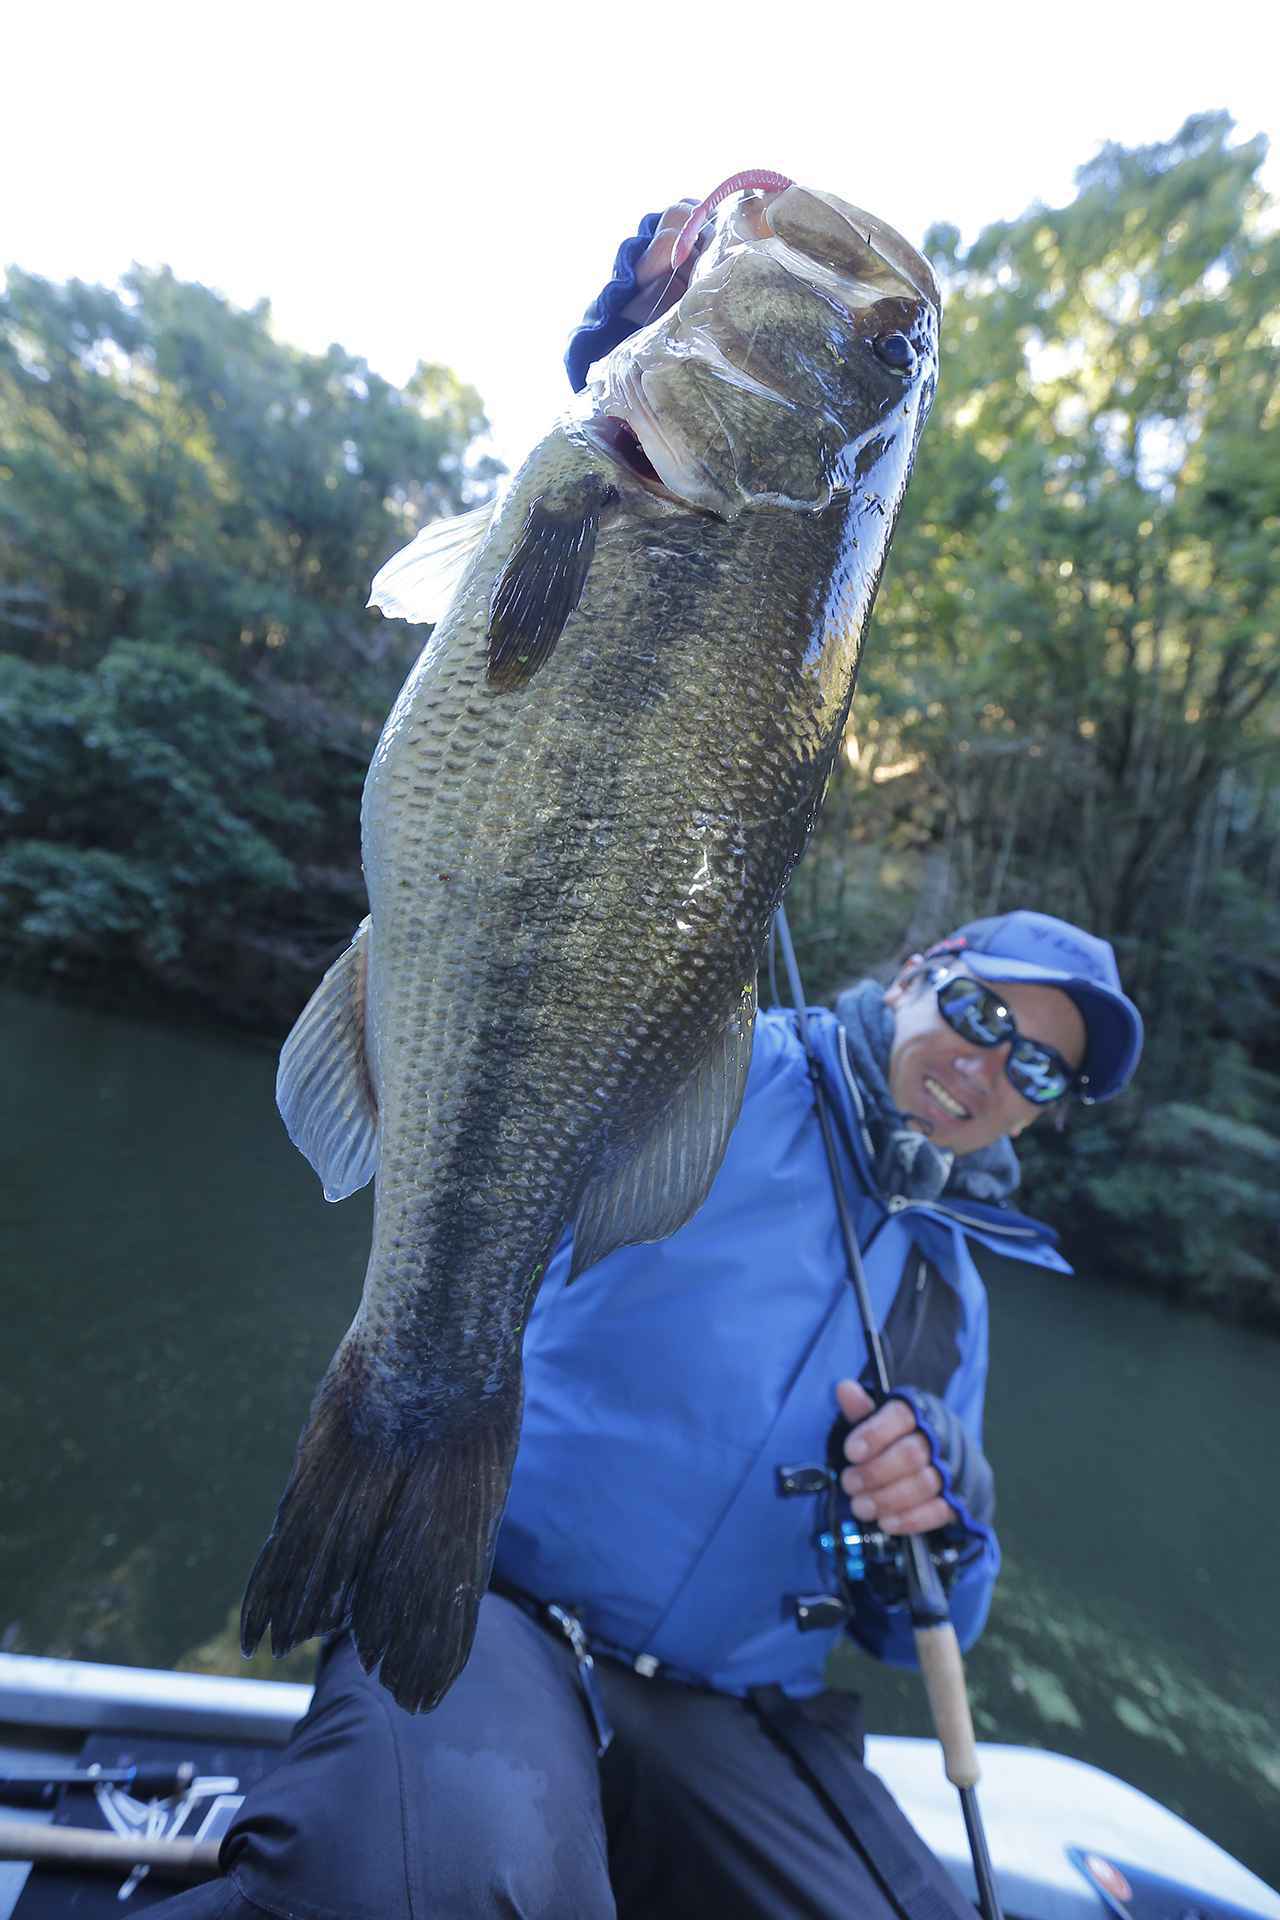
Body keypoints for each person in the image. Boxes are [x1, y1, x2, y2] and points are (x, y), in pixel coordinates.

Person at [152, 212, 1144, 1920]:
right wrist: (645, 313)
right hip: (512, 1625)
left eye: (1038, 1076)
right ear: (915, 977)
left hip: (745, 1713)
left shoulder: (951, 1302)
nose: (991, 1073)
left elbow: (943, 1611)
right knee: (427, 1883)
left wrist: (944, 1506)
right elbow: (617, 554)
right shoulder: (742, 1072)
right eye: (984, 1015)